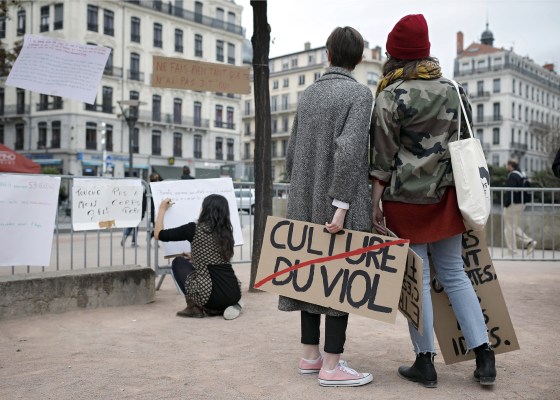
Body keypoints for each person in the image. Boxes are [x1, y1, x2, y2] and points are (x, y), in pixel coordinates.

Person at [369, 14, 496, 388]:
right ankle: (484, 355)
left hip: (405, 201)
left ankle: (425, 361)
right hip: (449, 197)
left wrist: (376, 203)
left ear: (395, 54)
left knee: (417, 280)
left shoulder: (390, 96)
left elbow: (381, 159)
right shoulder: (455, 91)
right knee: (456, 275)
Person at [281, 26, 373, 387]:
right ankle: (332, 365)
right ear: (359, 59)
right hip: (338, 201)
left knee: (309, 274)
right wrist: (341, 203)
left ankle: (310, 357)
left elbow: (290, 152)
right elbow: (350, 151)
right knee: (341, 276)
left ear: (328, 55)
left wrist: (300, 185)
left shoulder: (307, 95)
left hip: (302, 196)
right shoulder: (359, 95)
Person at [154, 194, 243, 320]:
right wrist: (194, 255)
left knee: (178, 262)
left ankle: (194, 308)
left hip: (210, 296)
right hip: (234, 292)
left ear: (206, 210)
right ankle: (227, 305)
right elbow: (216, 257)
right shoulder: (227, 232)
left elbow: (158, 234)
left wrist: (162, 209)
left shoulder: (193, 229)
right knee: (204, 268)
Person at [504, 159, 536, 256]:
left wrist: (506, 203)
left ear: (510, 165)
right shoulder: (522, 173)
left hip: (513, 204)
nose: (506, 167)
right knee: (513, 226)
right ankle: (529, 242)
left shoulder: (512, 175)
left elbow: (511, 190)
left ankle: (512, 251)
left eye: (507, 165)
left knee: (509, 227)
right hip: (521, 203)